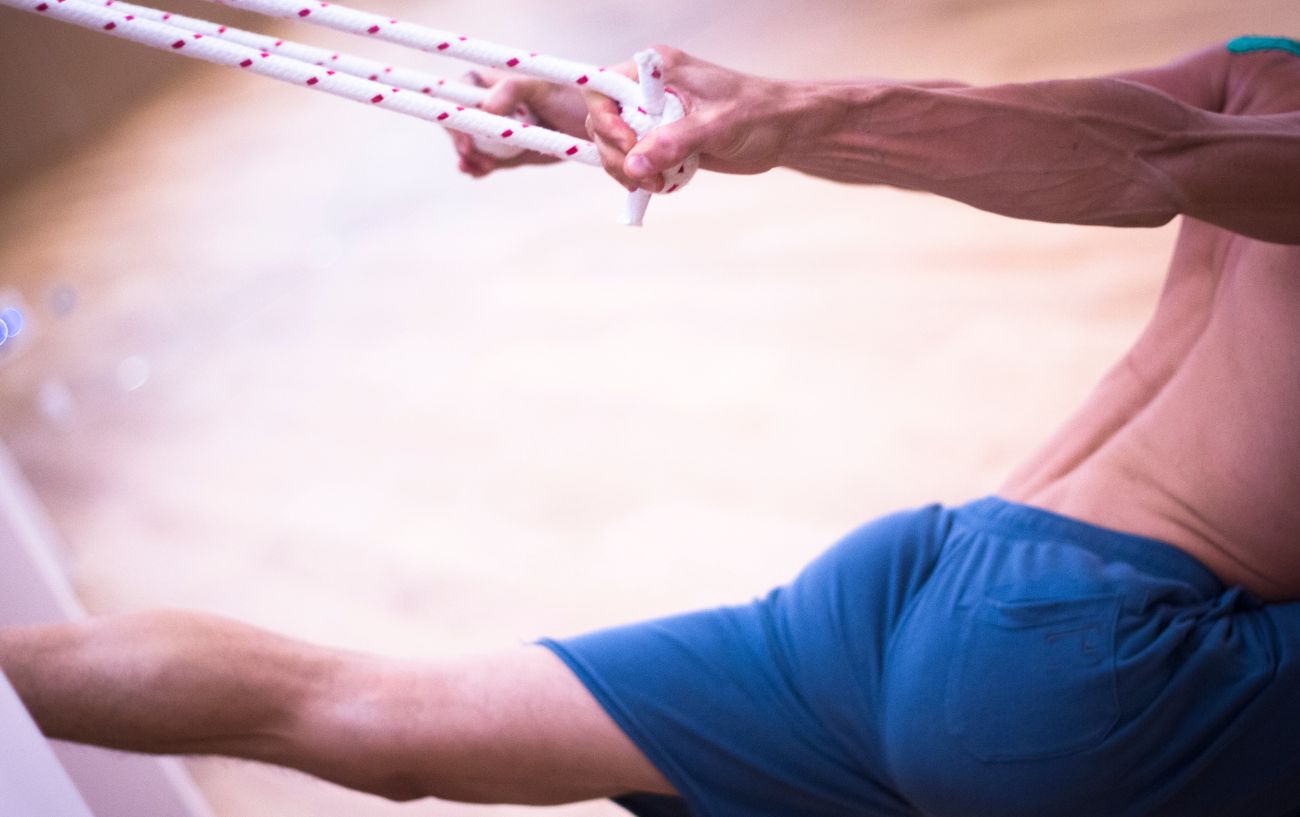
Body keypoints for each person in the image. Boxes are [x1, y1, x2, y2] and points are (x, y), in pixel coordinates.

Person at [2, 37, 1299, 817]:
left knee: (368, 707)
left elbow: (1125, 145)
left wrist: (755, 118)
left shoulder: (1264, 74)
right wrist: (772, 119)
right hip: (1099, 666)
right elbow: (1130, 155)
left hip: (906, 589)